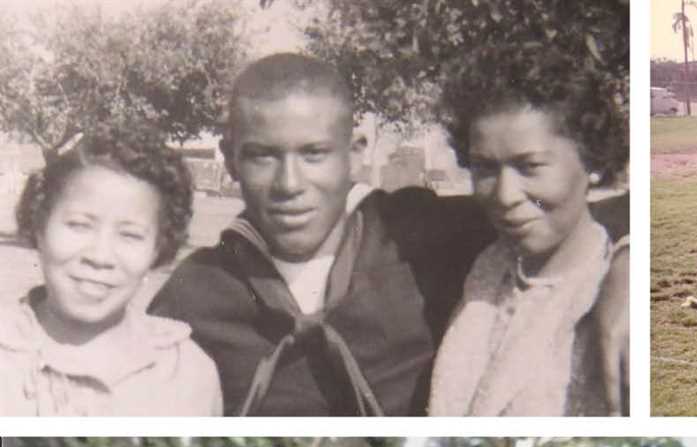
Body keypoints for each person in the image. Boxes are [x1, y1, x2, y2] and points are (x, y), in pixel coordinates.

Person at [149, 52, 628, 416]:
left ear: (354, 152)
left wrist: (630, 263)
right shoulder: (190, 298)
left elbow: (584, 215)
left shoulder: (423, 234)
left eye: (314, 153)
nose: (290, 185)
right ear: (230, 158)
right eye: (262, 156)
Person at [425, 43, 628, 416]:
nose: (504, 195)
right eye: (485, 168)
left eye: (530, 166)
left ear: (593, 160)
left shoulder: (614, 307)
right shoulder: (482, 265)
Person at [2, 125, 221, 417]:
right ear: (39, 226)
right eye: (79, 225)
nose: (100, 256)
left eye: (130, 235)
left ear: (158, 248)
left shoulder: (189, 374)